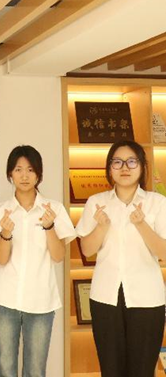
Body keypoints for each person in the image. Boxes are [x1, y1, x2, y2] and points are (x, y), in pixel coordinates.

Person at [77, 140, 166, 377]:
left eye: (131, 162)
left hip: (147, 298)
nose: (124, 167)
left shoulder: (157, 203)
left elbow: (164, 253)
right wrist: (101, 227)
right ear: (109, 168)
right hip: (105, 297)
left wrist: (141, 224)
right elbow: (86, 249)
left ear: (142, 166)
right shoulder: (96, 202)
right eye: (117, 162)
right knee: (111, 370)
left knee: (142, 370)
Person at [0, 146, 75, 377]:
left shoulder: (54, 210)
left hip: (41, 301)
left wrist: (49, 227)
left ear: (39, 174)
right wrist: (6, 234)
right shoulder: (0, 211)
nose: (24, 175)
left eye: (30, 169)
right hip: (5, 299)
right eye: (18, 169)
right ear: (10, 174)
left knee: (35, 370)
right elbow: (1, 259)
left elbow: (58, 256)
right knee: (5, 368)